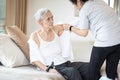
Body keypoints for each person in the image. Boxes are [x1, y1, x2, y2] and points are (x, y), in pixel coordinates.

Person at [63, 0, 120, 80]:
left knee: (92, 72)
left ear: (78, 1)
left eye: (74, 4)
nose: (75, 7)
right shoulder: (100, 2)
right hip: (118, 41)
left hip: (104, 42)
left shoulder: (84, 9)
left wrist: (69, 27)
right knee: (111, 72)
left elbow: (84, 33)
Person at [28, 8, 88, 80]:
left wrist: (75, 29)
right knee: (72, 71)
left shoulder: (55, 29)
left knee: (89, 67)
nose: (52, 21)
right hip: (54, 67)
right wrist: (48, 69)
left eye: (52, 18)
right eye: (48, 19)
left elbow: (67, 26)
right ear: (40, 22)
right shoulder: (35, 36)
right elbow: (34, 59)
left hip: (66, 63)